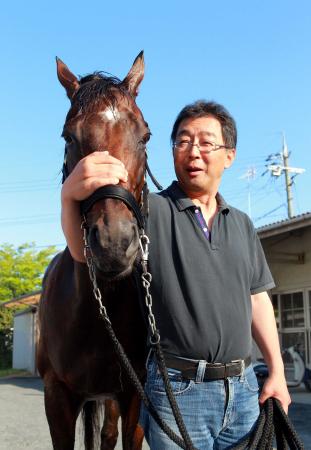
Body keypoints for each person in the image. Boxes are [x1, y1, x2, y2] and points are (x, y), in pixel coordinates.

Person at [61, 100, 291, 449]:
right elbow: (83, 253)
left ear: (229, 155)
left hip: (244, 389)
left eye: (205, 142)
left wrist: (277, 372)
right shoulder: (149, 210)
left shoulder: (242, 223)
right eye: (182, 141)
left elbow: (257, 298)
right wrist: (68, 196)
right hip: (179, 392)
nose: (193, 152)